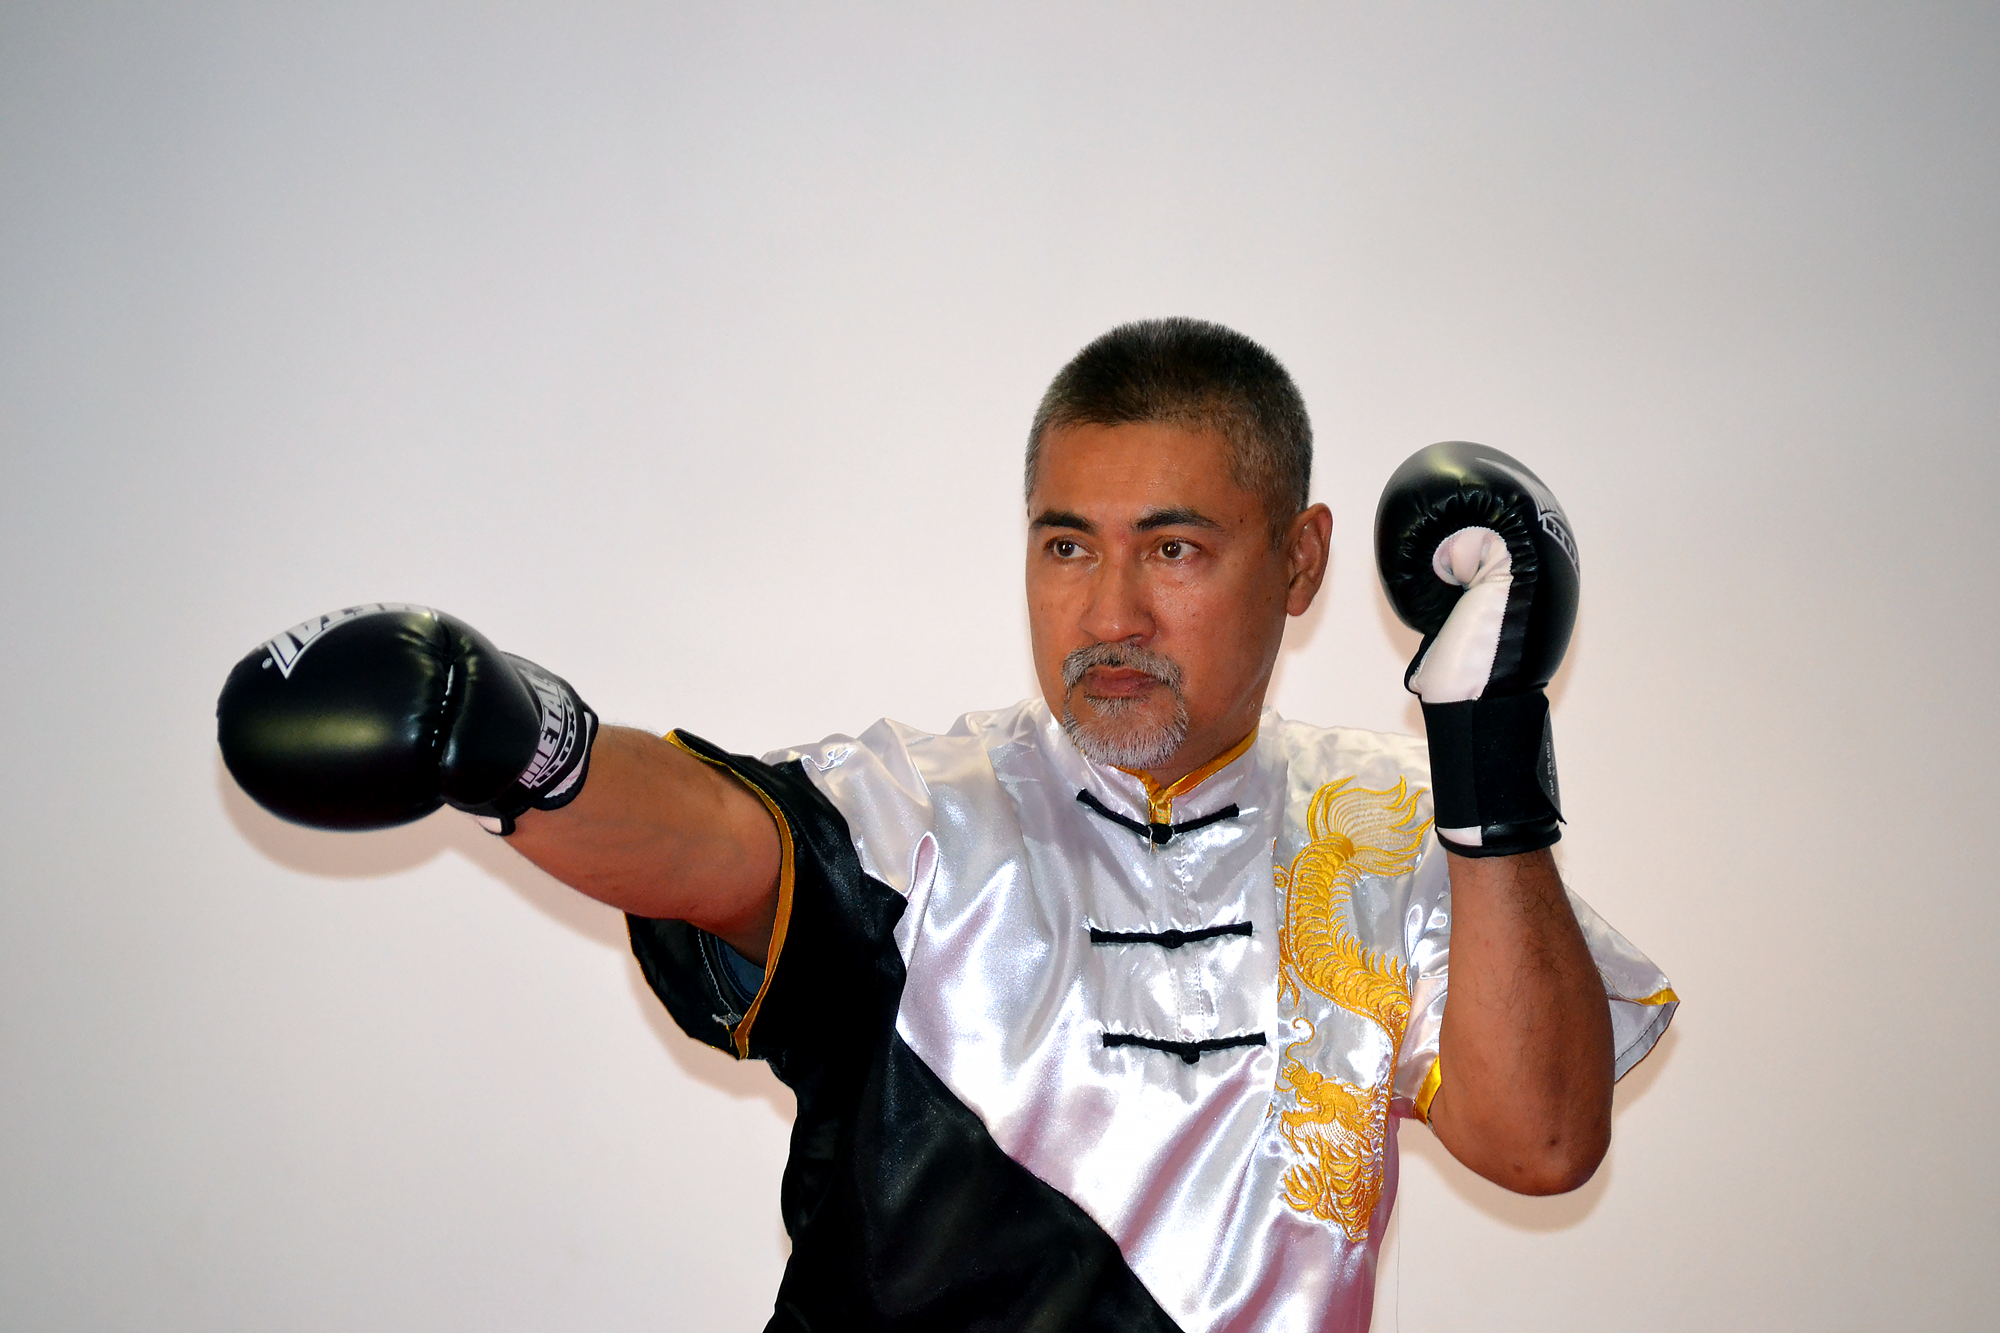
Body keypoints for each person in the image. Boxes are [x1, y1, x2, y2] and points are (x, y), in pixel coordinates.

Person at [217, 319, 1675, 1333]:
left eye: (1174, 548)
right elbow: (718, 840)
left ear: (1301, 562)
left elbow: (1542, 1139)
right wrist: (514, 738)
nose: (1110, 613)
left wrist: (1489, 749)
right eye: (1066, 545)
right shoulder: (928, 810)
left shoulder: (1391, 826)